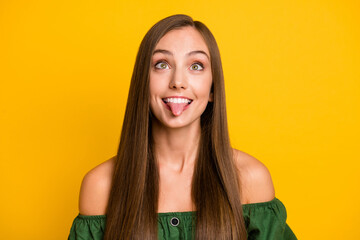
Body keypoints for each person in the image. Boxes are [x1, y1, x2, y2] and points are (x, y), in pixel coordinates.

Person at [67, 14, 297, 240]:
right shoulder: (101, 185)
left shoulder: (249, 179)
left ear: (213, 89)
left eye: (196, 66)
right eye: (162, 64)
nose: (178, 81)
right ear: (142, 83)